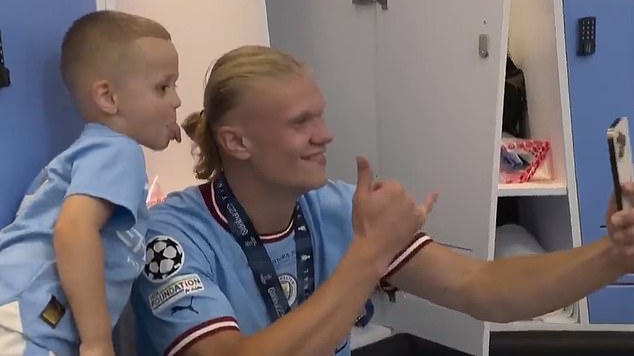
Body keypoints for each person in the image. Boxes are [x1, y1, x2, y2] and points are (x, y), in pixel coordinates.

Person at [131, 45, 634, 356]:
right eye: (300, 123)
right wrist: (368, 255)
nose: (325, 135)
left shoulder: (335, 206)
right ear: (237, 142)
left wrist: (614, 254)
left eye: (321, 116)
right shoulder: (172, 237)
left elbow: (482, 288)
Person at [0, 10, 182, 356]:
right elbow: (74, 231)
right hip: (29, 324)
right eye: (163, 86)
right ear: (108, 98)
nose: (176, 100)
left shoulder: (92, 153)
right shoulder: (119, 152)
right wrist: (97, 342)